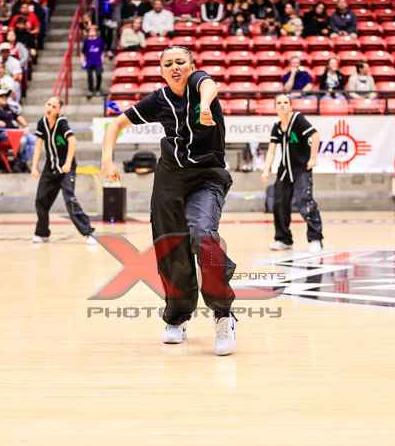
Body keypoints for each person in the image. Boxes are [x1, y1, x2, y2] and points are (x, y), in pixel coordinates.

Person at [101, 46, 237, 356]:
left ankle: (223, 315)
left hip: (207, 177)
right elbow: (116, 125)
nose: (175, 67)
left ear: (191, 65)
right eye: (168, 64)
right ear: (161, 71)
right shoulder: (159, 99)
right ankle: (177, 318)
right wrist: (107, 159)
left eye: (180, 62)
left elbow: (209, 85)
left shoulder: (199, 84)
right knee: (170, 248)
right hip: (170, 180)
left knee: (203, 235)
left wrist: (205, 106)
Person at [261, 93, 323, 253]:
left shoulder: (298, 119)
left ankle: (315, 238)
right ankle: (283, 239)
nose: (282, 105)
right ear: (275, 108)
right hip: (284, 171)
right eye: (279, 103)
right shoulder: (276, 127)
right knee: (279, 203)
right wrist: (266, 169)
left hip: (301, 168)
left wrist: (313, 158)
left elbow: (315, 135)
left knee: (304, 201)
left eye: (285, 102)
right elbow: (271, 151)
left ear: (290, 106)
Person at [30, 96, 96, 245]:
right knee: (40, 200)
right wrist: (34, 167)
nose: (50, 108)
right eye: (48, 104)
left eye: (54, 106)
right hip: (50, 168)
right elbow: (38, 145)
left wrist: (67, 163)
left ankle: (88, 232)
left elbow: (72, 141)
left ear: (58, 110)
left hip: (66, 168)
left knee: (69, 200)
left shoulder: (62, 122)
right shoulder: (42, 123)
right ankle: (42, 233)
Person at [82, 26, 105, 98]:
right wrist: (83, 61)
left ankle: (98, 89)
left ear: (96, 32)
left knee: (99, 75)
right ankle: (90, 90)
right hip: (89, 61)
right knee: (89, 76)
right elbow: (83, 52)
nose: (92, 32)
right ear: (88, 33)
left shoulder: (100, 41)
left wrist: (102, 60)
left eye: (93, 31)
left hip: (98, 61)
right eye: (90, 31)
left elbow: (102, 51)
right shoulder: (86, 41)